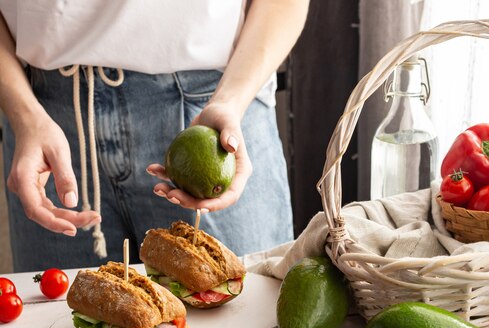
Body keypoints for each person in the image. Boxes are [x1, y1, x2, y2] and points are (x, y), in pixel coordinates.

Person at [0, 0, 308, 272]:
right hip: (45, 120)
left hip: (212, 114)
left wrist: (230, 101)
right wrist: (25, 116)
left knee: (247, 325)